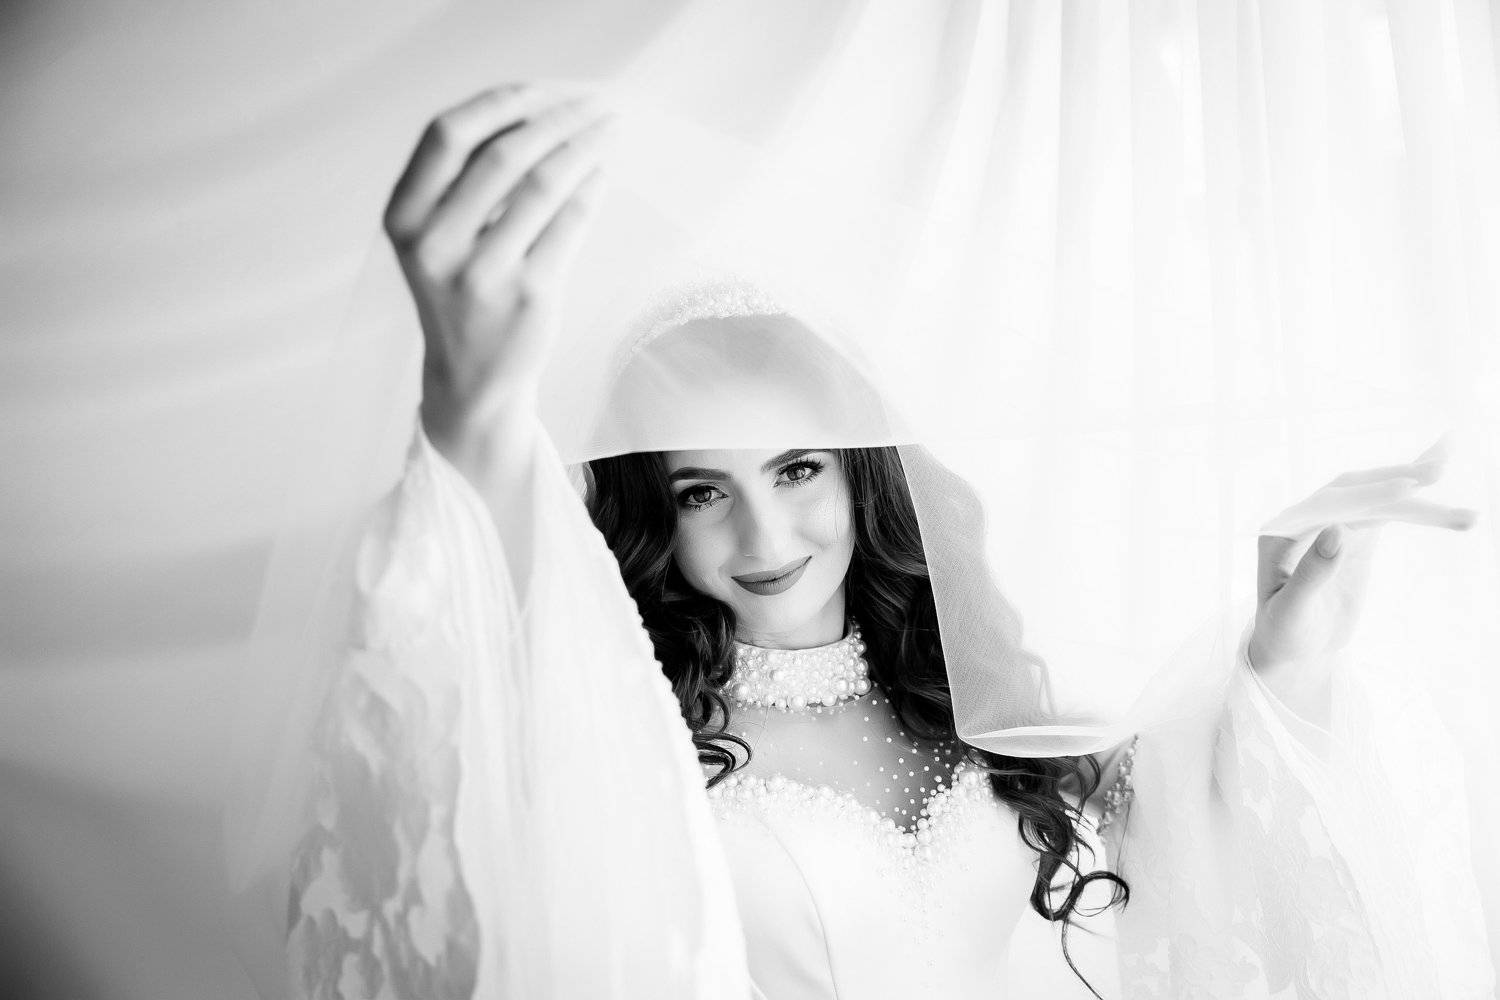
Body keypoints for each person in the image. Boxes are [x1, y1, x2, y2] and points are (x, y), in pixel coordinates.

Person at [266, 83, 1494, 999]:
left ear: (863, 480)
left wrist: (1284, 662)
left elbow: (1197, 882)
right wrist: (471, 419)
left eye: (798, 469)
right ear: (652, 514)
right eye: (701, 490)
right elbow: (458, 798)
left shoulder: (979, 701)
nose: (763, 532)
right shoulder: (623, 728)